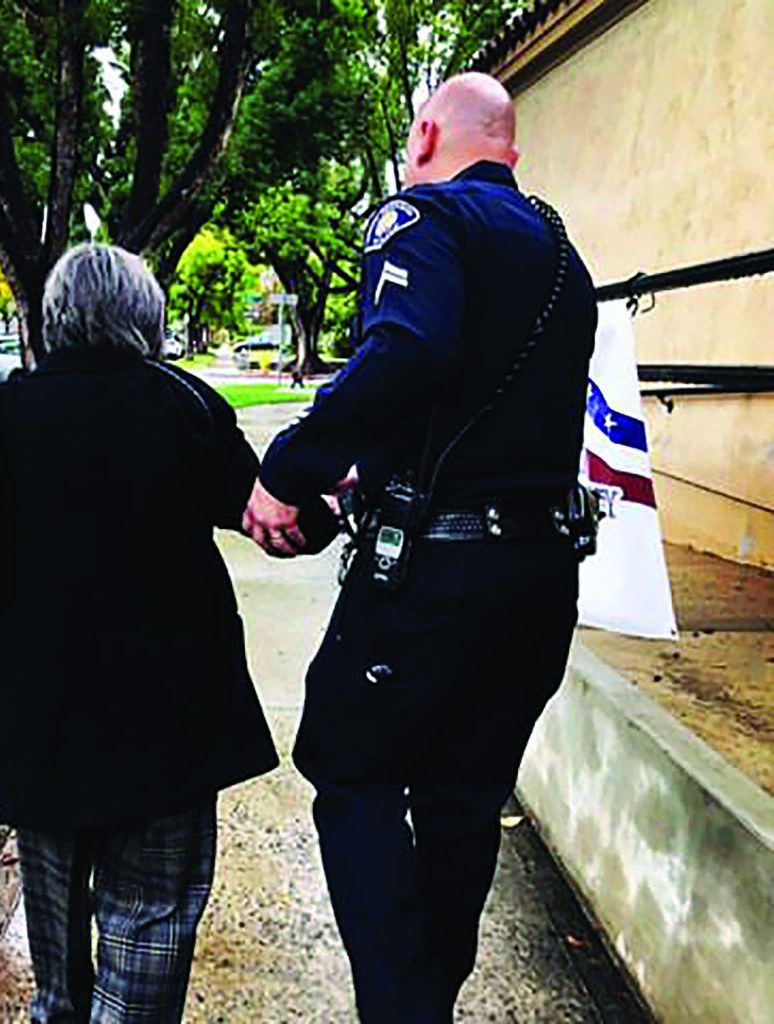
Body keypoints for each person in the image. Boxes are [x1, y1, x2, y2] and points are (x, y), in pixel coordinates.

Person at [242, 72, 598, 1021]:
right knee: (462, 798)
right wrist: (380, 468)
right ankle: (425, 1000)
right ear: (512, 151)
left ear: (430, 133)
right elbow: (488, 416)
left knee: (348, 768)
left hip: (434, 584)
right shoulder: (567, 261)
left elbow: (410, 348)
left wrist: (292, 464)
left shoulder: (422, 217)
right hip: (538, 584)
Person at [0, 244, 281, 1023]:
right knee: (152, 922)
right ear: (146, 320)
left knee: (58, 947)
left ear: (56, 321)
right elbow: (265, 512)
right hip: (169, 732)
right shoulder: (186, 408)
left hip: (45, 729)